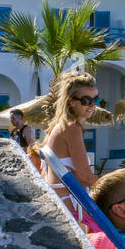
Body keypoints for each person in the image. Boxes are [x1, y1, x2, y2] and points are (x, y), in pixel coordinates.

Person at [41, 72, 100, 224]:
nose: (92, 105)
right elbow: (85, 176)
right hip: (74, 211)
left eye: (95, 99)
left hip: (61, 206)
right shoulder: (71, 128)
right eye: (87, 100)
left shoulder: (57, 127)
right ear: (72, 101)